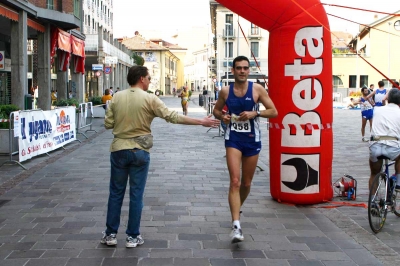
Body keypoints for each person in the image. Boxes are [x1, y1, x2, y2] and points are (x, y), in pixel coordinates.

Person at [101, 65, 219, 248]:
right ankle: (132, 236)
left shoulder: (116, 97)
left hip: (118, 149)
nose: (149, 81)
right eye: (148, 78)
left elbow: (108, 124)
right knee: (136, 194)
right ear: (141, 78)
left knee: (116, 193)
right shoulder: (150, 99)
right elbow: (172, 117)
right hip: (140, 150)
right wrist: (201, 121)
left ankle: (110, 234)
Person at [213, 55, 278, 243]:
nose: (242, 71)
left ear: (249, 71)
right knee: (235, 180)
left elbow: (274, 111)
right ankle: (236, 225)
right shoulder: (225, 91)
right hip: (233, 138)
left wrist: (255, 112)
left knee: (246, 184)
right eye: (238, 68)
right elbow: (217, 111)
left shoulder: (257, 89)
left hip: (252, 140)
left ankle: (236, 208)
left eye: (245, 68)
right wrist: (222, 117)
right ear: (233, 71)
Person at [369, 88, 400, 193]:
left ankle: (373, 201)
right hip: (393, 149)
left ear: (388, 99)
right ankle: (399, 182)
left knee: (374, 173)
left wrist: (385, 97)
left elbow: (383, 100)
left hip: (376, 146)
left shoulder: (377, 109)